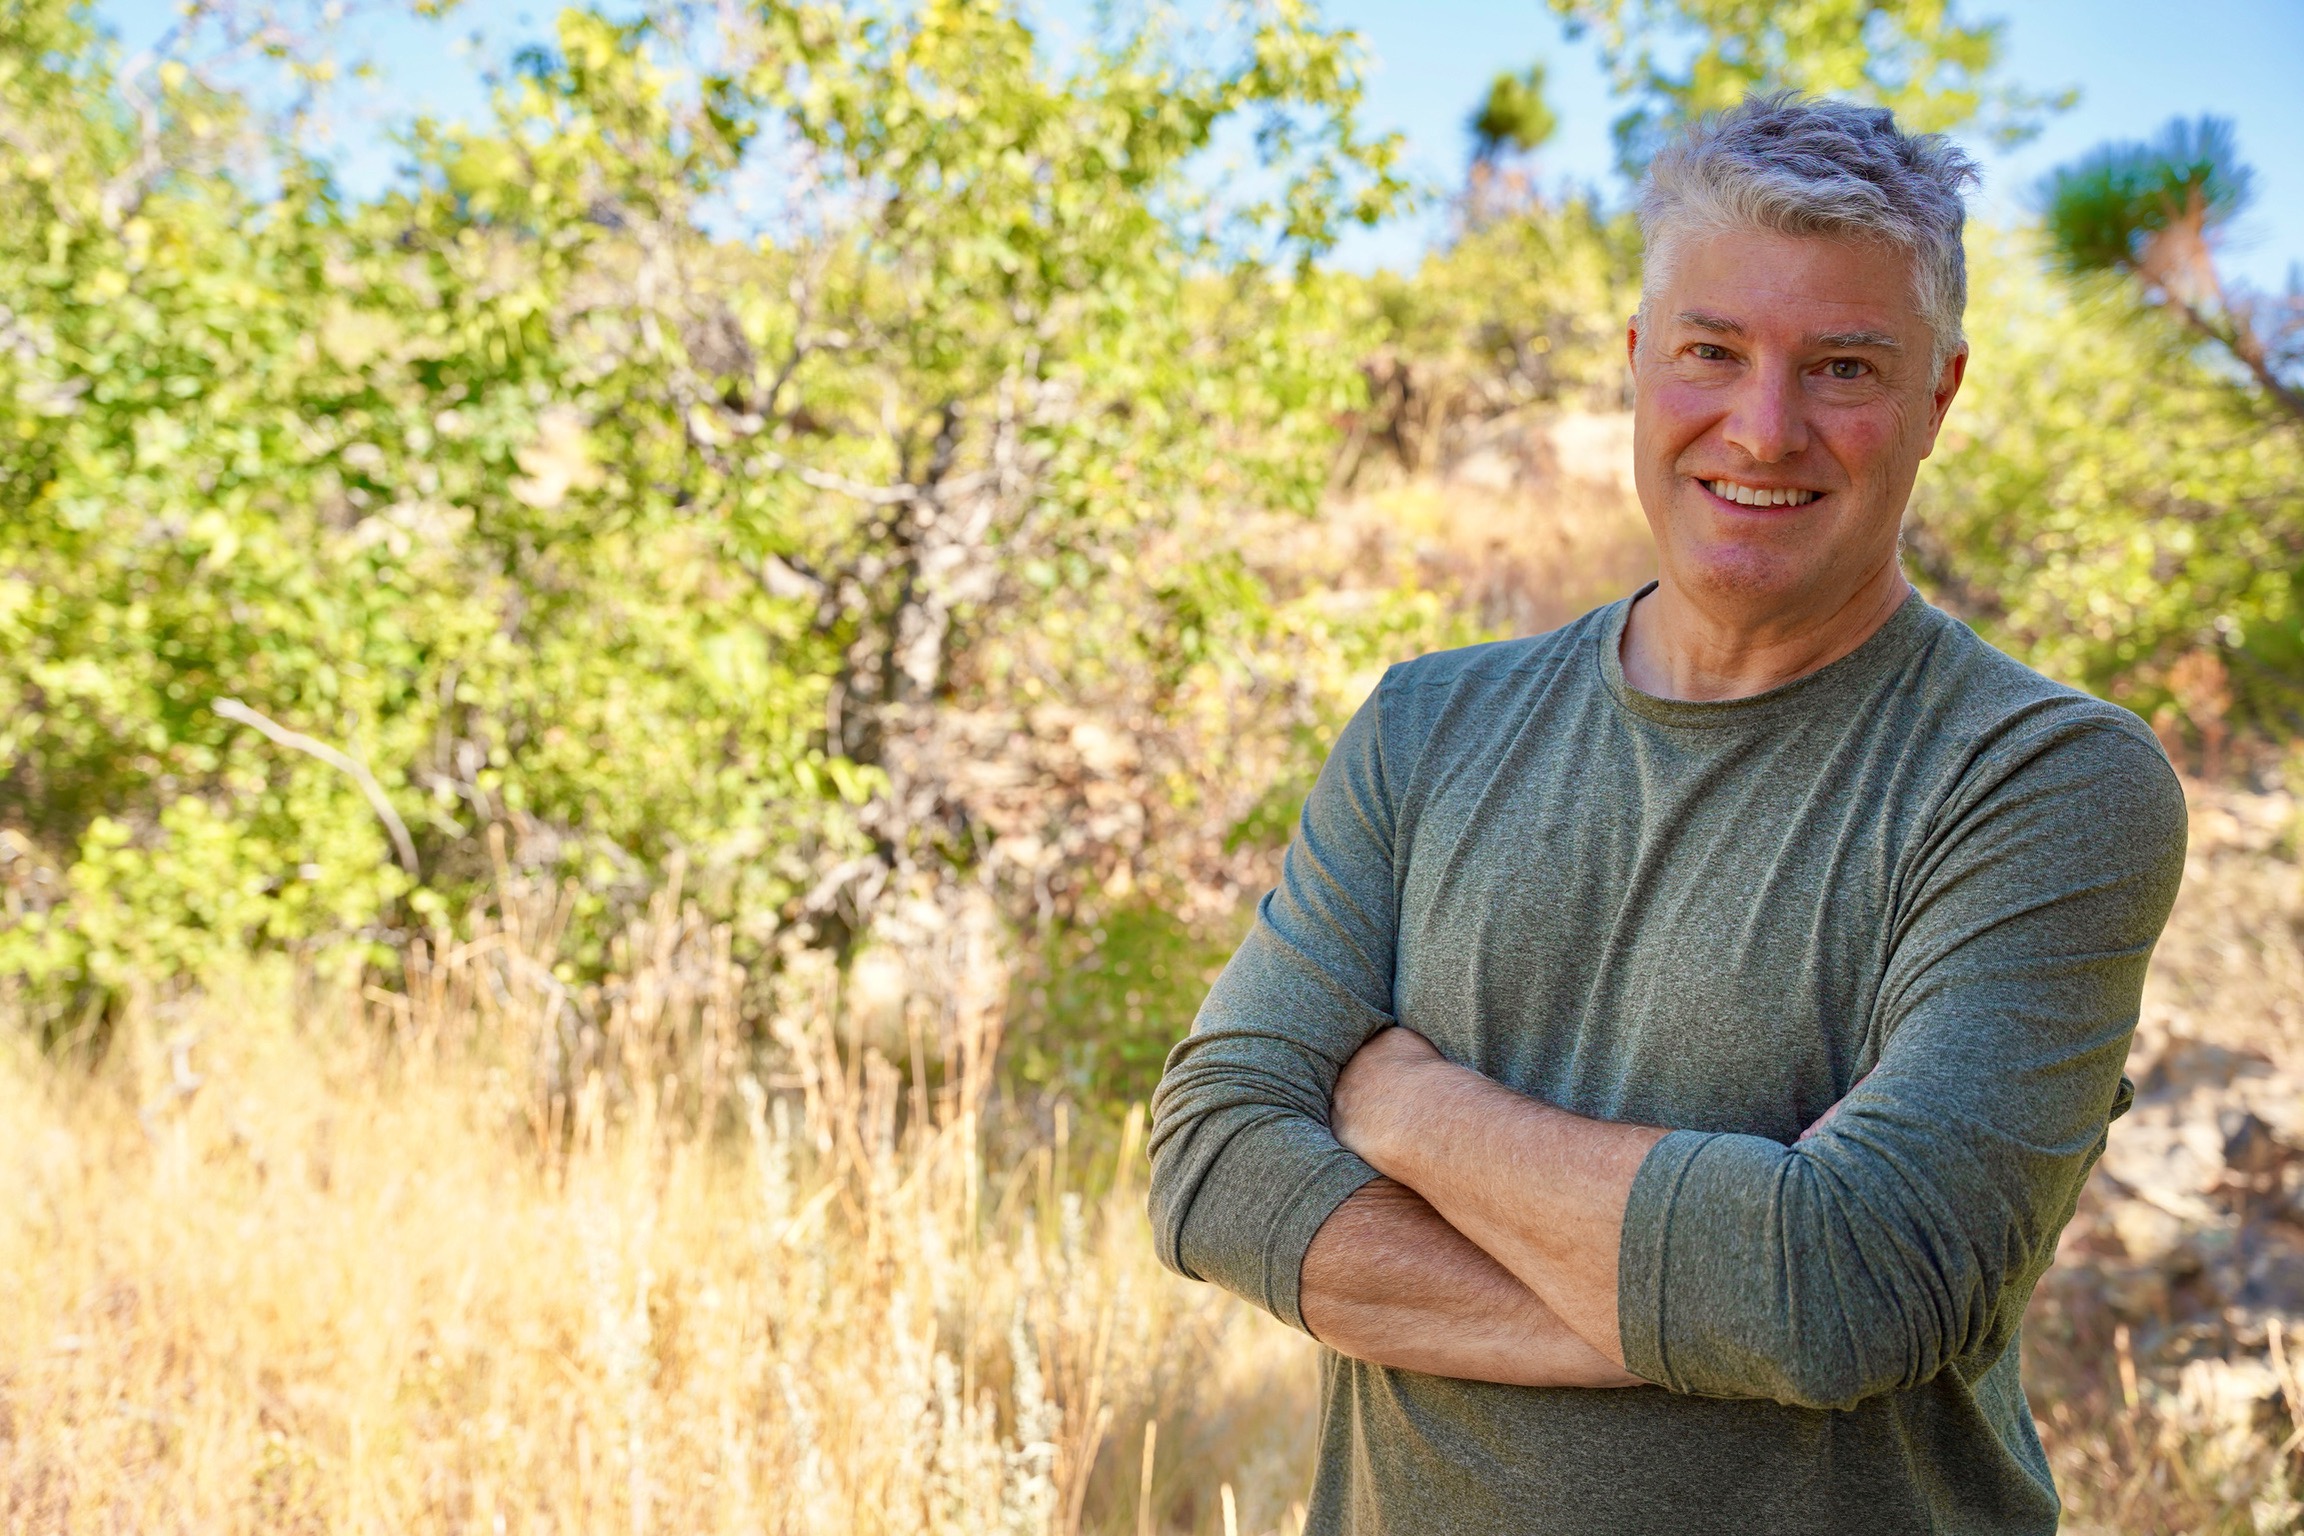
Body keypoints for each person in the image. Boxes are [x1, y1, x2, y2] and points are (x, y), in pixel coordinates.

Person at [1146, 93, 2188, 1535]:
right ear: (1638, 363)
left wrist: (1400, 1100)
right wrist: (1713, 1305)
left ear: (1939, 398)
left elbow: (1848, 1291)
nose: (1763, 430)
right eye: (1713, 352)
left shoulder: (2040, 780)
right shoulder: (1427, 729)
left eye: (1842, 367)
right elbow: (1211, 1163)